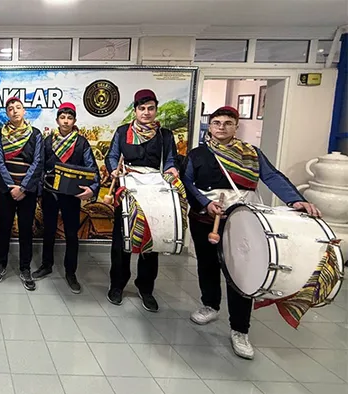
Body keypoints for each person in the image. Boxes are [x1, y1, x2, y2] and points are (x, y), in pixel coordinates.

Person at [183, 105, 320, 360]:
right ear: (210, 126)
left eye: (228, 123)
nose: (221, 127)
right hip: (206, 217)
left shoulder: (251, 154)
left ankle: (240, 329)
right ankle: (210, 304)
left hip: (243, 218)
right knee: (207, 264)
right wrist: (205, 203)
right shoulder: (197, 154)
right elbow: (187, 182)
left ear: (236, 127)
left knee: (241, 272)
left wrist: (295, 200)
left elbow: (273, 177)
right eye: (217, 123)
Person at [105, 89, 178, 312]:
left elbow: (171, 159)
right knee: (122, 240)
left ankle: (145, 288)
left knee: (151, 238)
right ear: (135, 110)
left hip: (154, 190)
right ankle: (117, 285)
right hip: (128, 187)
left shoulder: (165, 135)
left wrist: (171, 169)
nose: (146, 112)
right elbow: (112, 156)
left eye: (150, 108)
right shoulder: (123, 132)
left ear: (156, 110)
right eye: (142, 108)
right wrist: (113, 169)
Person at [33, 102, 100, 294]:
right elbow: (40, 167)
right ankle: (46, 265)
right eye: (62, 117)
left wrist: (92, 189)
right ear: (57, 120)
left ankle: (71, 272)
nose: (66, 121)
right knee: (48, 230)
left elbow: (92, 169)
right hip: (50, 193)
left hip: (72, 195)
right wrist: (39, 192)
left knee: (71, 234)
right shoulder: (47, 142)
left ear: (74, 121)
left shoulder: (81, 143)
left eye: (70, 118)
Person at [0, 96, 44, 291]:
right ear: (7, 113)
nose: (14, 111)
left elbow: (38, 162)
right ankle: (1, 264)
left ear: (24, 111)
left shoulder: (35, 134)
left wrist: (23, 188)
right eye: (10, 108)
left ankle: (25, 268)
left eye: (18, 107)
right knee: (4, 228)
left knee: (25, 230)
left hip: (27, 192)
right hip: (7, 191)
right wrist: (11, 186)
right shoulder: (0, 135)